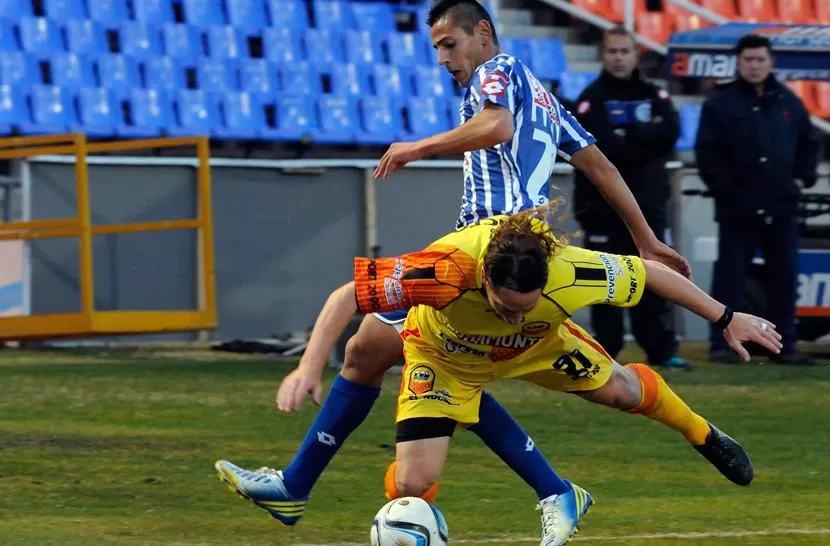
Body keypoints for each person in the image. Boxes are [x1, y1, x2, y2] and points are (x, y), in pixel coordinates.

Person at [214, 2, 691, 544]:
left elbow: (495, 125)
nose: (442, 59)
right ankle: (294, 485)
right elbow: (600, 165)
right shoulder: (543, 96)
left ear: (482, 33)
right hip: (503, 251)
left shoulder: (499, 71)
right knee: (366, 353)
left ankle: (554, 489)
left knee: (441, 361)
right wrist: (647, 237)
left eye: (448, 44)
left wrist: (417, 147)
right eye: (436, 47)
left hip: (489, 256)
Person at [287, 207, 779, 538]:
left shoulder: (571, 270)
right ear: (484, 278)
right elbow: (346, 296)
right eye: (504, 306)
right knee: (413, 484)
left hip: (539, 346)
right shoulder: (443, 268)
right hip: (445, 356)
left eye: (526, 305)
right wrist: (309, 367)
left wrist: (727, 318)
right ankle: (409, 523)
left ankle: (702, 433)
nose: (513, 314)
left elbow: (650, 273)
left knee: (625, 393)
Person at [694, 34, 819, 366]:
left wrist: (799, 180)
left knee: (784, 278)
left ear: (771, 62)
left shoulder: (789, 103)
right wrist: (728, 190)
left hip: (782, 208)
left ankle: (784, 346)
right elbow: (707, 154)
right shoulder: (719, 103)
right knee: (730, 280)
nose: (754, 65)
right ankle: (722, 345)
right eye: (748, 59)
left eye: (760, 59)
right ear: (738, 62)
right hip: (738, 209)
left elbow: (810, 143)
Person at [572, 26, 688, 370]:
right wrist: (642, 140)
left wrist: (629, 136)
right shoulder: (590, 98)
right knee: (604, 280)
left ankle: (661, 350)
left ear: (636, 55)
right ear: (603, 55)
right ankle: (605, 352)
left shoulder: (656, 95)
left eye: (624, 51)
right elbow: (602, 146)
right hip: (601, 209)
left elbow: (669, 134)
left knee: (656, 278)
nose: (618, 58)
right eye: (612, 52)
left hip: (649, 206)